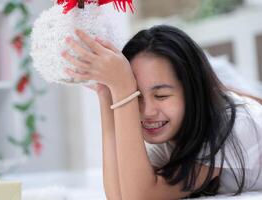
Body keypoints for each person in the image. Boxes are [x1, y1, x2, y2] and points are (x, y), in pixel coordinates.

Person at [62, 25, 262, 199]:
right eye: (137, 97)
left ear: (192, 92)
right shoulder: (173, 138)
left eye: (162, 96)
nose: (147, 111)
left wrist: (124, 90)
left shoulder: (233, 125)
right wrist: (107, 95)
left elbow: (140, 197)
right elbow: (119, 196)